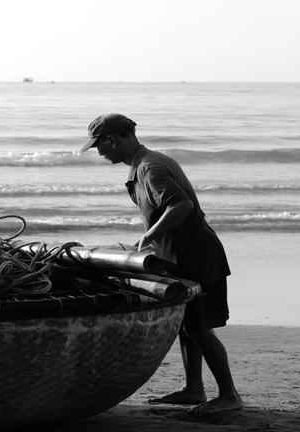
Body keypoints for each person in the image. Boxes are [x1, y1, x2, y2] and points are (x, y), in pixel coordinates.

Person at [79, 113, 242, 415]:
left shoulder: (150, 168)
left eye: (98, 147)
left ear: (112, 140)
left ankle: (229, 396)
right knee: (186, 324)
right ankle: (194, 388)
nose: (99, 153)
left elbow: (181, 206)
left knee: (200, 326)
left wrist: (148, 237)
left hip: (197, 255)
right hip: (179, 254)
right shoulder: (143, 164)